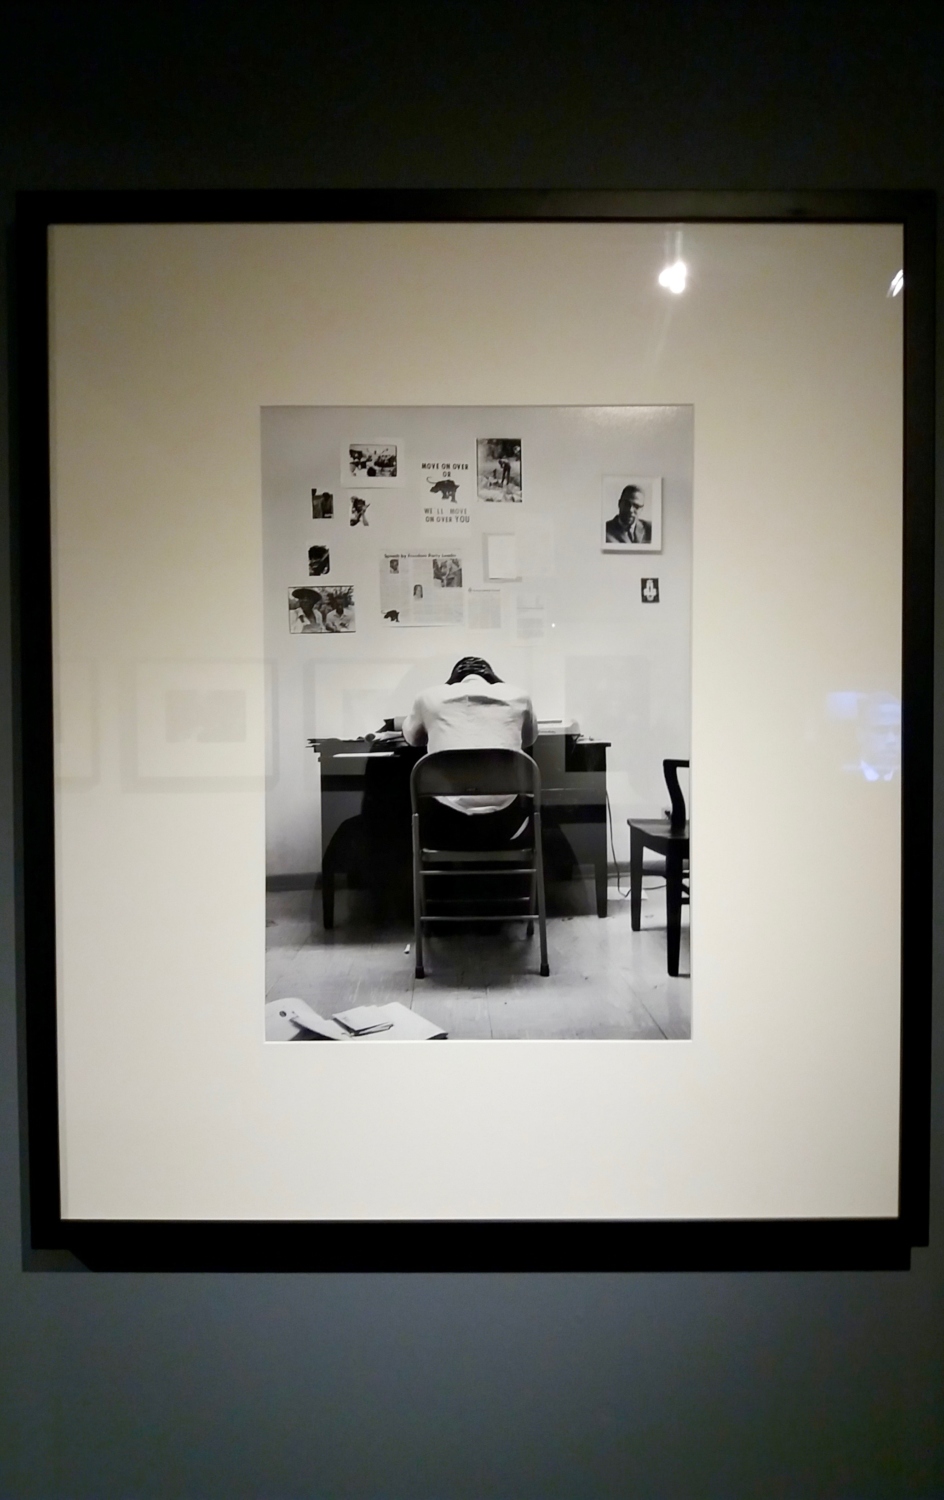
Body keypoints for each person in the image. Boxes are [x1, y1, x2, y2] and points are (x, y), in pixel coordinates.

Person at [402, 656, 537, 848]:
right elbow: (529, 739)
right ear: (492, 678)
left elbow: (413, 739)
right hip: (508, 821)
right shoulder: (519, 696)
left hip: (445, 820)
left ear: (453, 679)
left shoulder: (428, 697)